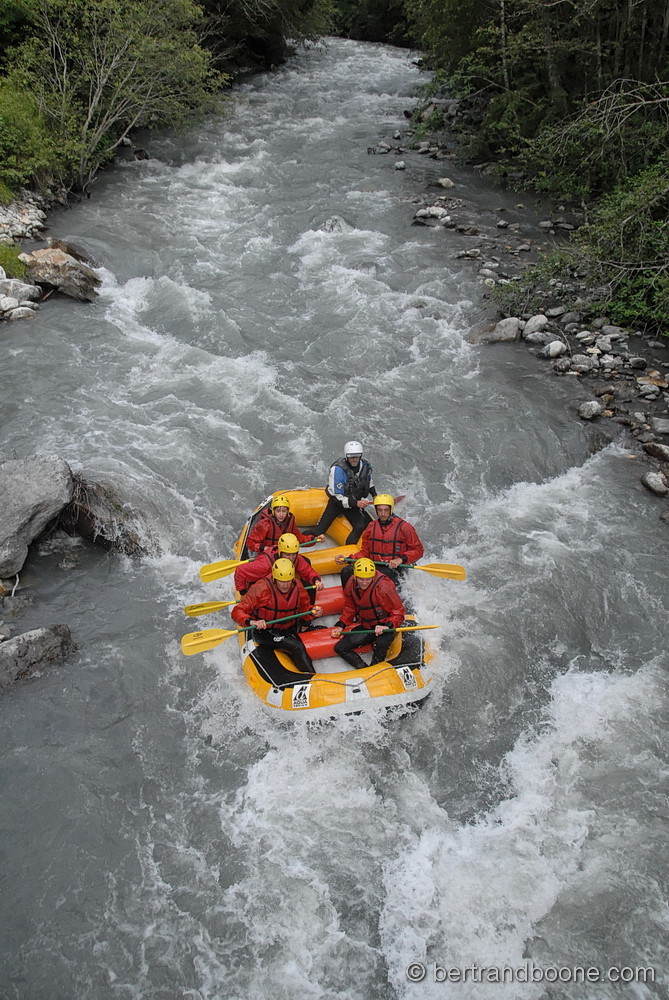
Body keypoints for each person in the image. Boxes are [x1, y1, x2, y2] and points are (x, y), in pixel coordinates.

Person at [231, 558, 323, 678]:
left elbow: (304, 608)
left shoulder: (297, 586)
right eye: (281, 581)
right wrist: (252, 621)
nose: (285, 585)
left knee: (298, 648)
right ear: (274, 578)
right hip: (265, 631)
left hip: (287, 628)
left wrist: (313, 612)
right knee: (297, 646)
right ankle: (314, 678)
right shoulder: (260, 588)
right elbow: (237, 611)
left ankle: (307, 675)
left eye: (288, 581)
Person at [331, 557, 405, 670]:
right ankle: (364, 669)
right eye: (361, 579)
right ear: (355, 576)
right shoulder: (351, 584)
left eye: (368, 579)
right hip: (368, 626)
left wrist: (387, 626)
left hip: (386, 627)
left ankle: (375, 667)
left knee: (381, 644)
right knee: (340, 647)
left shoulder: (384, 587)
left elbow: (399, 612)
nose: (364, 582)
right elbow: (350, 607)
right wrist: (341, 624)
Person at [336, 494, 424, 588]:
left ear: (391, 509)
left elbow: (419, 550)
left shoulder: (405, 527)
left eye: (386, 510)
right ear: (376, 510)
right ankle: (353, 598)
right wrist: (348, 559)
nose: (383, 513)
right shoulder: (371, 527)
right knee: (346, 571)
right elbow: (365, 552)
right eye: (380, 510)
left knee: (382, 576)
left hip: (396, 568)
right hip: (376, 565)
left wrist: (401, 559)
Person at [313, 440, 377, 544]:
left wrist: (374, 495)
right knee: (318, 531)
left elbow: (369, 483)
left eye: (356, 456)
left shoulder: (365, 466)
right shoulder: (337, 470)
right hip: (337, 502)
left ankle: (349, 551)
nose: (354, 459)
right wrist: (356, 503)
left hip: (353, 503)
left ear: (360, 456)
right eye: (351, 456)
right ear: (346, 456)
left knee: (361, 526)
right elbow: (336, 496)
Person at [234, 533, 325, 598]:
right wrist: (243, 592)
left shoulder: (295, 558)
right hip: (262, 586)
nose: (291, 558)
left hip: (280, 585)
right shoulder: (265, 564)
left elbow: (307, 571)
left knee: (307, 580)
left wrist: (316, 580)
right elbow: (240, 571)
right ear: (280, 552)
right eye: (288, 555)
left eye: (294, 554)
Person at [247, 494, 324, 554]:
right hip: (268, 554)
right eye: (278, 511)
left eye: (284, 511)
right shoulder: (264, 524)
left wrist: (314, 539)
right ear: (273, 511)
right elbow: (250, 543)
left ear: (287, 512)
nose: (281, 514)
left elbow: (298, 538)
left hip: (286, 553)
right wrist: (264, 548)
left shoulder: (290, 521)